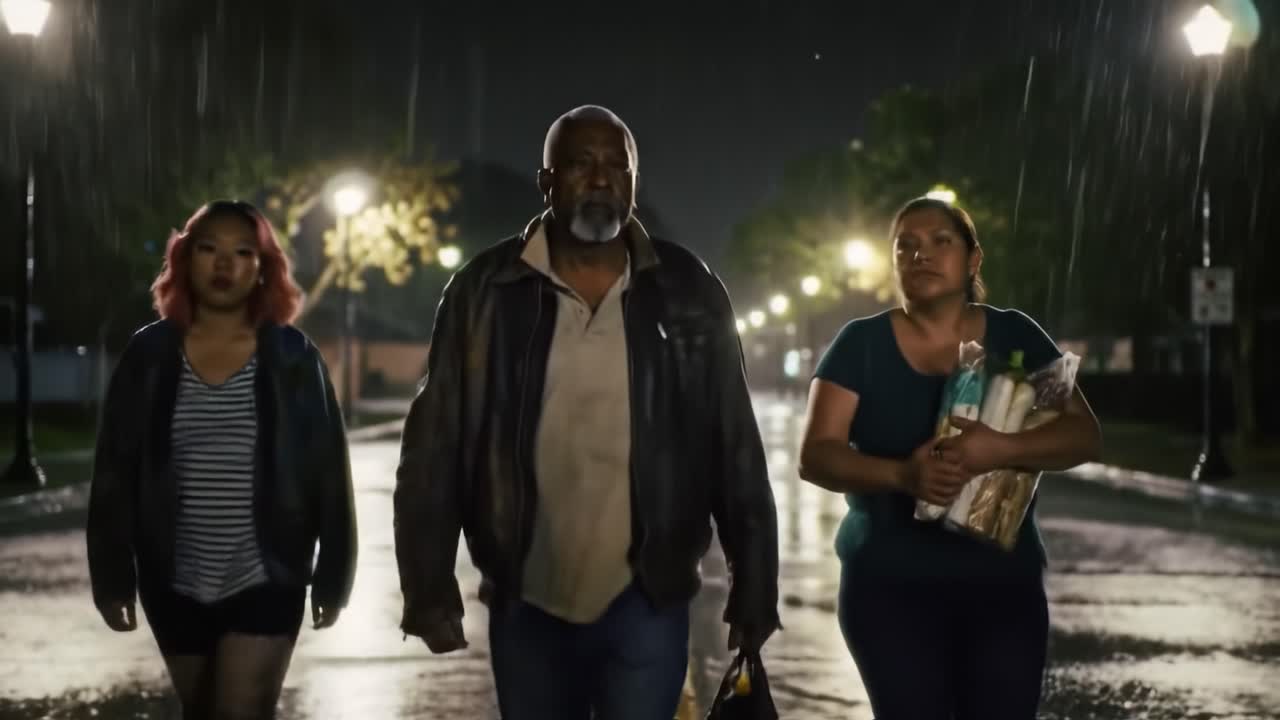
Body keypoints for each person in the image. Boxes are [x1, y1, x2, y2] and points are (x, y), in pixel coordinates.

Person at [394, 105, 781, 720]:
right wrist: (427, 584)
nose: (600, 178)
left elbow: (732, 443)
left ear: (633, 182)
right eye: (580, 163)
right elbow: (434, 447)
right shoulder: (484, 290)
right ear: (547, 182)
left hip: (648, 596)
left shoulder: (687, 289)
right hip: (528, 594)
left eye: (616, 165)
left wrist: (755, 582)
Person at [798, 197, 1102, 719]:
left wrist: (1001, 448)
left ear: (974, 260)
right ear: (893, 264)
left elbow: (1083, 435)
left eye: (942, 242)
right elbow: (817, 456)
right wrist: (902, 474)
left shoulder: (1018, 337)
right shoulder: (861, 345)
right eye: (906, 246)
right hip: (890, 591)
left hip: (1002, 592)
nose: (923, 255)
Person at [87, 200, 357, 719]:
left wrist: (333, 575)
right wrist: (112, 576)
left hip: (268, 574)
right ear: (185, 260)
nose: (224, 264)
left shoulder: (291, 356)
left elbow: (328, 472)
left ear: (263, 268)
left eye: (242, 252)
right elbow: (115, 473)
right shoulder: (149, 356)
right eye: (208, 249)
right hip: (173, 579)